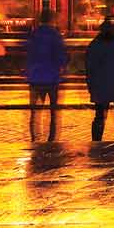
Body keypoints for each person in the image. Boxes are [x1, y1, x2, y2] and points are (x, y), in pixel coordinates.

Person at [22, 10, 68, 142]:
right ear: (52, 19)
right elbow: (61, 55)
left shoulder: (34, 34)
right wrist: (62, 67)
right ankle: (51, 140)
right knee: (53, 112)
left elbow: (27, 52)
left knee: (34, 112)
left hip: (35, 77)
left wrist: (28, 70)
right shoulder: (55, 35)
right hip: (52, 77)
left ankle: (35, 138)